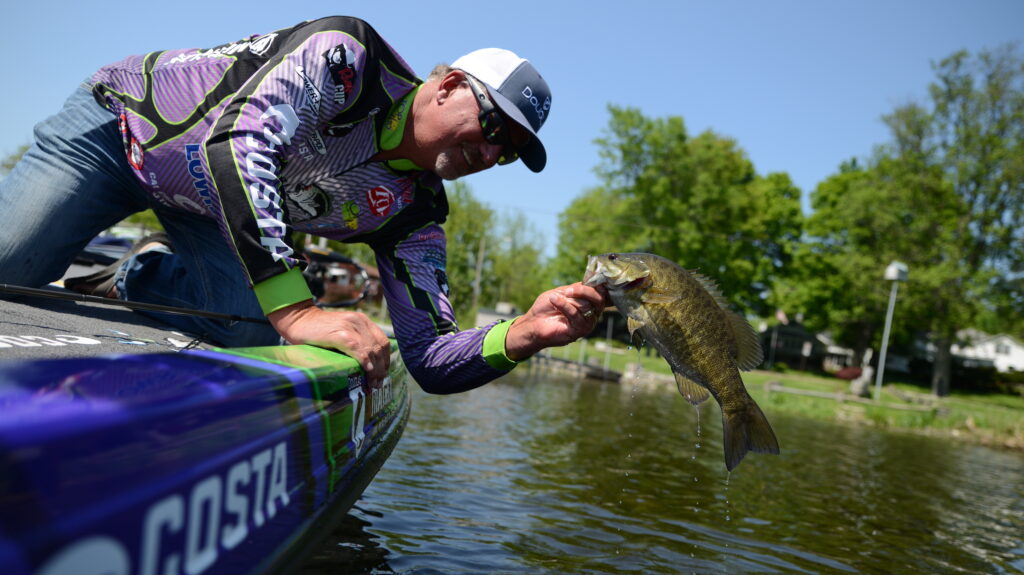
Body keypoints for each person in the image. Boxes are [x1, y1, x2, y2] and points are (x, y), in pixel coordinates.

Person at [0, 16, 606, 392]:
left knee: (258, 346)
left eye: (512, 152)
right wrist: (298, 312)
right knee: (9, 267)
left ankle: (144, 273)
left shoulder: (416, 214)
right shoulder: (349, 55)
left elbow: (428, 358)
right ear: (448, 86)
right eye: (495, 126)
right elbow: (235, 145)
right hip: (121, 133)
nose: (493, 153)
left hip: (208, 213)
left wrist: (523, 334)